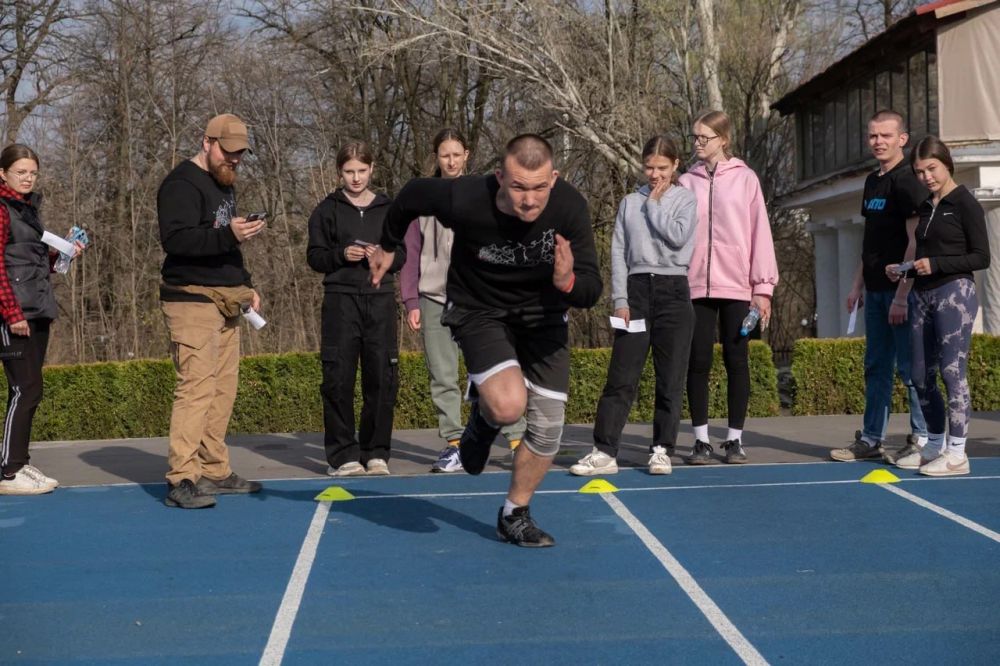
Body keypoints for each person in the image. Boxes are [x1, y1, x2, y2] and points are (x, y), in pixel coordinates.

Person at [371, 134, 602, 547]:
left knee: (548, 429)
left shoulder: (569, 207)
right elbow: (409, 196)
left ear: (554, 179)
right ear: (500, 178)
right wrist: (389, 246)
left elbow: (591, 289)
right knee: (509, 403)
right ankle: (486, 416)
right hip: (480, 310)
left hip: (543, 318)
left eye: (538, 188)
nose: (529, 200)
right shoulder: (466, 197)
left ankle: (514, 514)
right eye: (518, 187)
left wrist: (567, 280)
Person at [400, 128, 525, 473]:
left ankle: (516, 440)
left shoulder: (487, 192)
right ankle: (454, 443)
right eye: (444, 155)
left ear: (467, 154)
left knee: (495, 372)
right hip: (433, 296)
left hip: (478, 298)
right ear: (436, 158)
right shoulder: (422, 197)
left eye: (457, 154)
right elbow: (410, 252)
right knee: (442, 375)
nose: (451, 161)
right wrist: (410, 299)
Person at [571, 136, 697, 477]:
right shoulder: (628, 203)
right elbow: (618, 251)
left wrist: (655, 205)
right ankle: (604, 450)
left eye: (662, 168)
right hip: (637, 292)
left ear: (675, 166)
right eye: (649, 167)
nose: (654, 174)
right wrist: (621, 299)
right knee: (621, 375)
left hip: (674, 292)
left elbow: (677, 237)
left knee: (670, 378)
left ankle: (661, 450)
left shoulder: (686, 200)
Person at [157, 113, 264, 509]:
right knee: (196, 388)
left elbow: (226, 246)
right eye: (228, 151)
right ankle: (182, 478)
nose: (234, 160)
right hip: (190, 297)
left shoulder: (224, 184)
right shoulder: (180, 184)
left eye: (240, 154)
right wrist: (227, 234)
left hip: (226, 297)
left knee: (223, 389)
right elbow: (177, 240)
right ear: (207, 142)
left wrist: (247, 284)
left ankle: (213, 468)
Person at [679, 110, 779, 465]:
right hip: (695, 287)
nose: (696, 144)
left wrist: (762, 287)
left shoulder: (746, 179)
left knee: (737, 361)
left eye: (703, 138)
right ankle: (701, 440)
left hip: (738, 286)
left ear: (723, 139)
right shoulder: (685, 181)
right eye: (694, 137)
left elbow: (760, 233)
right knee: (698, 362)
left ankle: (734, 439)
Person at [886, 136, 989, 476]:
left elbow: (981, 257)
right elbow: (924, 255)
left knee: (951, 372)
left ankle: (958, 453)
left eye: (931, 169)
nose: (926, 177)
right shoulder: (927, 208)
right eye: (919, 172)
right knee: (919, 374)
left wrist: (938, 264)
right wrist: (904, 269)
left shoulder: (965, 203)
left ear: (947, 164)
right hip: (922, 294)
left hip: (954, 294)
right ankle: (934, 444)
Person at [831, 110, 928, 463]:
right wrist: (857, 286)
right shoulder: (873, 182)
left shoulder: (908, 180)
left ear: (902, 138)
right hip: (874, 292)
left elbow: (914, 242)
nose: (878, 142)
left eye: (885, 135)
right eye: (873, 136)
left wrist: (902, 294)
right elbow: (870, 242)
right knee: (876, 366)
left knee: (910, 367)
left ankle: (921, 439)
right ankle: (872, 439)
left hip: (901, 294)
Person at [307, 141, 401, 477]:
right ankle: (343, 455)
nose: (356, 178)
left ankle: (376, 452)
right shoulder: (326, 210)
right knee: (338, 378)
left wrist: (384, 257)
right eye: (349, 172)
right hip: (340, 301)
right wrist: (341, 255)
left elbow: (402, 254)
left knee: (382, 376)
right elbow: (314, 256)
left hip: (380, 300)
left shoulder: (389, 208)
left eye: (362, 171)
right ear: (339, 172)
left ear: (372, 169)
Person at [0, 144, 84, 495]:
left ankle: (19, 462)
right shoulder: (3, 210)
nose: (28, 178)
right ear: (3, 173)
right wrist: (11, 313)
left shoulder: (30, 210)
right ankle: (8, 471)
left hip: (38, 310)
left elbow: (33, 262)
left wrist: (64, 253)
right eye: (21, 172)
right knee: (25, 388)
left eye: (32, 172)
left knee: (32, 389)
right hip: (14, 315)